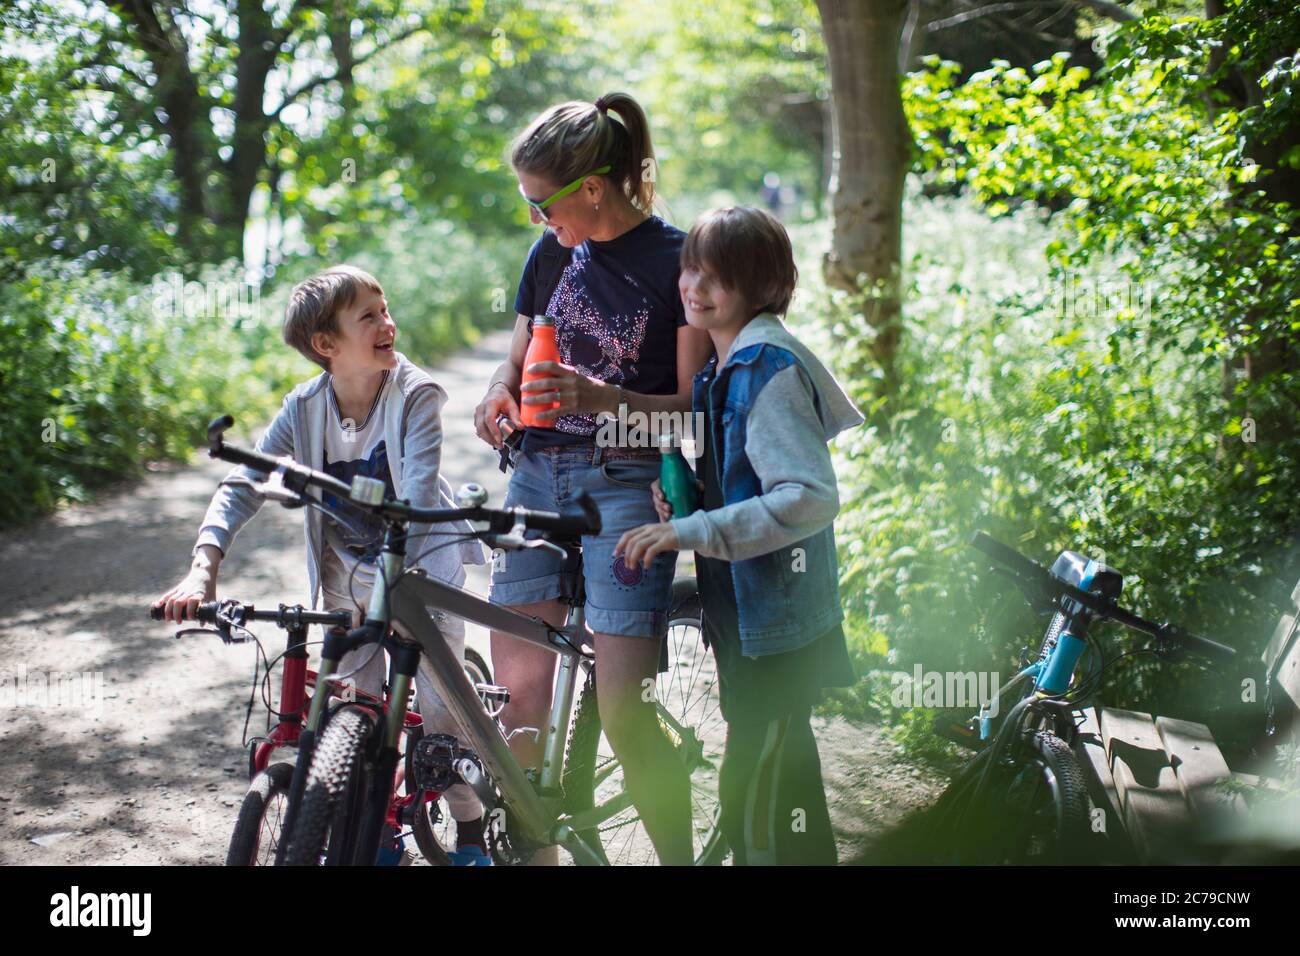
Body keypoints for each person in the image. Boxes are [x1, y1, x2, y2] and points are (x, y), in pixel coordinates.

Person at [153, 265, 490, 864]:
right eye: (369, 316)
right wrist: (203, 567)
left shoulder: (415, 395)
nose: (388, 323)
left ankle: (470, 832)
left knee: (442, 728)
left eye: (386, 309)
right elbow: (244, 483)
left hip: (420, 573)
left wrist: (395, 593)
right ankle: (379, 833)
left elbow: (412, 495)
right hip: (347, 582)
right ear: (326, 345)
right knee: (354, 716)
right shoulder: (304, 408)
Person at [472, 92, 714, 865]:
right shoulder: (548, 256)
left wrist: (606, 400)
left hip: (627, 483)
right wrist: (495, 397)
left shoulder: (676, 261)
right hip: (536, 478)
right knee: (517, 707)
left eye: (542, 205)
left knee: (624, 716)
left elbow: (690, 413)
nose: (536, 223)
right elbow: (511, 365)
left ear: (593, 189)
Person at [615, 207, 865, 865]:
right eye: (690, 268)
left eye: (716, 277)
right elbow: (735, 474)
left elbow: (808, 496)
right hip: (746, 612)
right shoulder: (724, 366)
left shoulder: (765, 369)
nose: (693, 286)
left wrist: (691, 530)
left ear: (761, 286)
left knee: (760, 786)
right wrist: (682, 494)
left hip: (776, 619)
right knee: (775, 773)